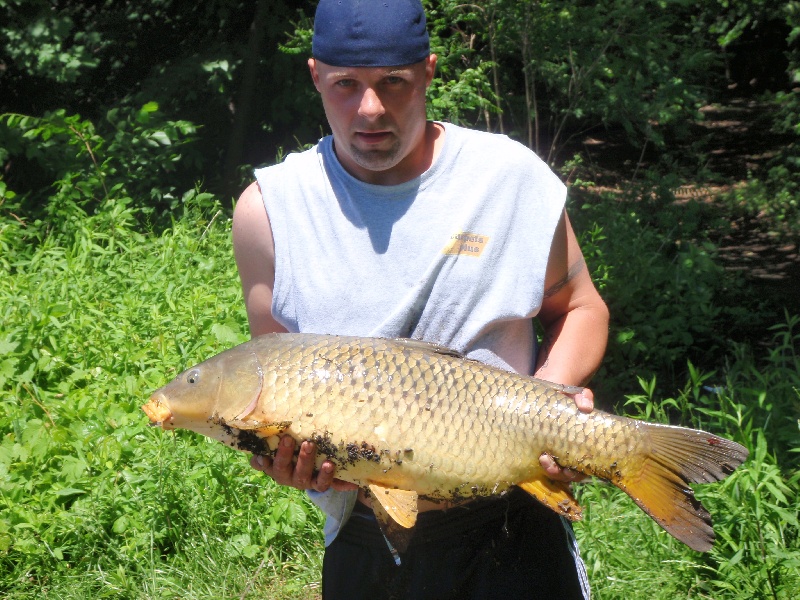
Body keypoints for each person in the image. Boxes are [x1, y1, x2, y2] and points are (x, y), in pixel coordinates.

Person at [232, 0, 609, 597]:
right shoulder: (269, 211)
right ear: (314, 76)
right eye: (346, 85)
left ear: (429, 72)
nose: (370, 109)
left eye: (395, 83)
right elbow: (275, 380)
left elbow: (582, 307)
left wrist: (548, 415)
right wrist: (283, 457)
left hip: (512, 522)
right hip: (364, 531)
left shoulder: (509, 177)